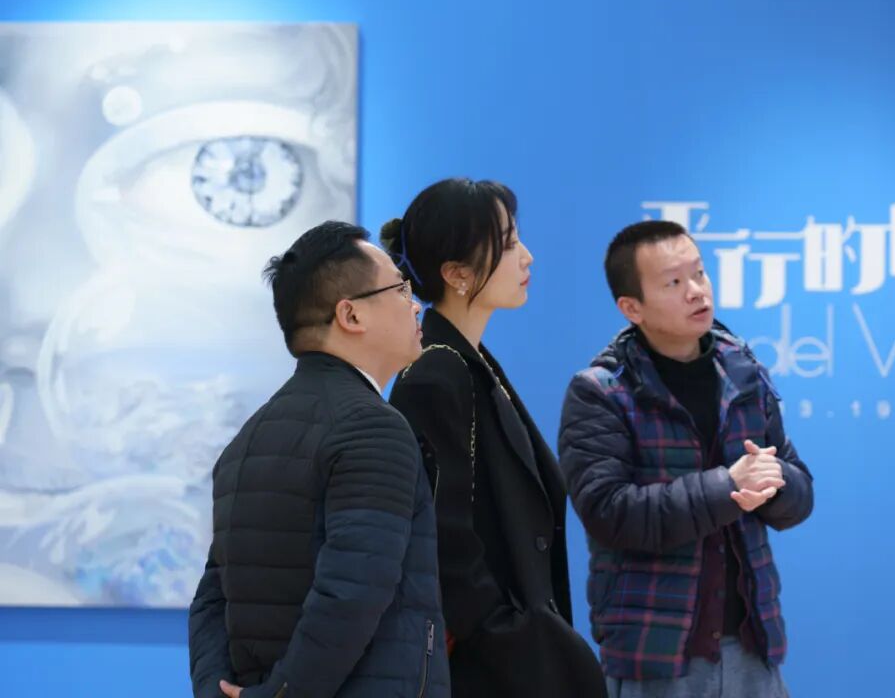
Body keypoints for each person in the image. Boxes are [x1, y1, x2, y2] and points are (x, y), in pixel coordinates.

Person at [188, 221, 449, 698]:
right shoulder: (374, 428)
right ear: (350, 314)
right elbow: (352, 594)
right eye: (400, 289)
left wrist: (215, 689)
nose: (416, 305)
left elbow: (212, 599)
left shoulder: (246, 440)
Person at [559, 220, 814, 698]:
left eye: (699, 273)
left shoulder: (743, 371)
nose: (697, 291)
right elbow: (609, 513)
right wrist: (727, 488)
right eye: (673, 282)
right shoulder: (601, 392)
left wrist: (775, 479)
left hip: (753, 649)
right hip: (657, 658)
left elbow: (800, 492)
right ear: (631, 307)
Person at [382, 178, 606, 698]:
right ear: (457, 274)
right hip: (489, 668)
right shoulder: (437, 371)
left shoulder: (468, 360)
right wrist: (513, 637)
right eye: (507, 245)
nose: (526, 257)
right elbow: (443, 538)